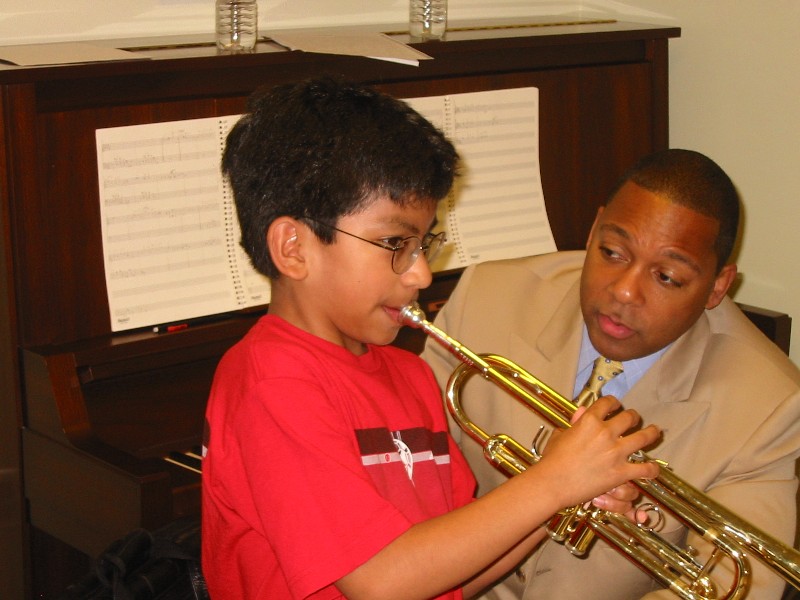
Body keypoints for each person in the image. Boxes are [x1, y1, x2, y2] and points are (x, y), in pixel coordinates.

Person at [200, 77, 662, 600]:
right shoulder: (272, 383)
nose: (421, 274)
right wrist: (553, 482)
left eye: (425, 243)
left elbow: (451, 574)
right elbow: (381, 580)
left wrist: (567, 496)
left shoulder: (412, 375)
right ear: (294, 248)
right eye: (395, 243)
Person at [422, 148, 800, 599]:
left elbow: (737, 587)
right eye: (612, 251)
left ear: (718, 286)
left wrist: (639, 520)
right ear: (594, 228)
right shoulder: (487, 296)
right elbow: (404, 470)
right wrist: (548, 486)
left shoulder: (769, 406)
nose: (623, 290)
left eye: (667, 278)